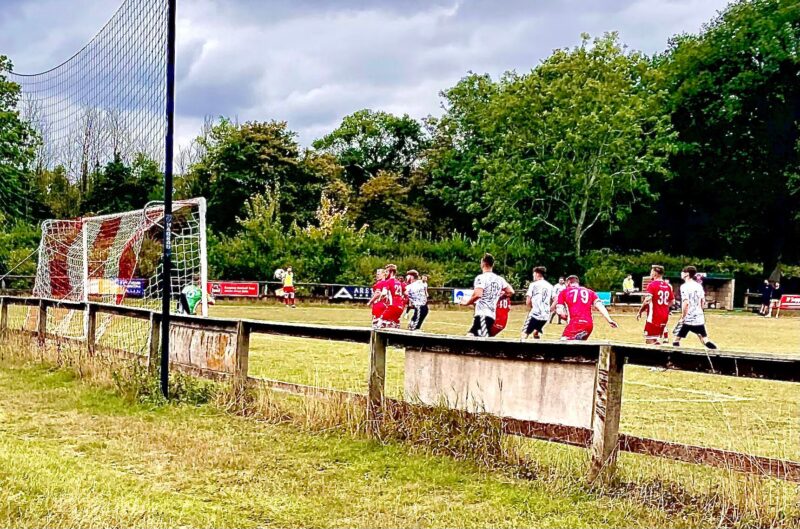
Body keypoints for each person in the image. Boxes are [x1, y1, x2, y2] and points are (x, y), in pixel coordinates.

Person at [462, 253, 514, 337]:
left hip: (483, 314)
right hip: (491, 315)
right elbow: (511, 291)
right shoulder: (499, 279)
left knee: (477, 338)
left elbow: (478, 294)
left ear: (483, 263)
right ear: (492, 264)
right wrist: (500, 295)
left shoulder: (481, 278)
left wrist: (467, 303)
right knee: (472, 335)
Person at [555, 275, 618, 341]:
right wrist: (609, 319)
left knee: (563, 343)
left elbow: (559, 310)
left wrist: (564, 316)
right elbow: (600, 305)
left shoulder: (564, 292)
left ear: (568, 283)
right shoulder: (590, 292)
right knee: (580, 344)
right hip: (588, 325)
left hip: (575, 323)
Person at [672, 266, 717, 349]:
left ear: (687, 274)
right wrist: (699, 311)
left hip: (688, 318)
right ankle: (716, 352)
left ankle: (675, 356)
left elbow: (686, 303)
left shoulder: (684, 286)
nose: (681, 273)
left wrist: (683, 317)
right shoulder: (698, 286)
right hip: (698, 317)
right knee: (705, 340)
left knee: (676, 340)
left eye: (682, 272)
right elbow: (702, 301)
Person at [636, 265, 674, 344]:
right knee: (656, 340)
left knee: (649, 341)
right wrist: (663, 307)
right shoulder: (667, 286)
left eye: (651, 272)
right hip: (664, 316)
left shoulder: (652, 285)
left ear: (655, 273)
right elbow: (672, 301)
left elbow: (647, 300)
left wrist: (640, 310)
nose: (650, 273)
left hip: (654, 317)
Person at [521, 266, 554, 340]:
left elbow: (528, 300)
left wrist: (531, 308)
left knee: (524, 333)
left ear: (537, 274)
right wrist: (550, 309)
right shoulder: (550, 286)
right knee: (536, 332)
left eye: (533, 274)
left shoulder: (533, 284)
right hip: (545, 315)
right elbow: (556, 299)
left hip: (535, 314)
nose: (533, 276)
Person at [375, 264, 406, 329]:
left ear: (391, 272)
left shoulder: (388, 281)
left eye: (387, 272)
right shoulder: (398, 282)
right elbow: (405, 293)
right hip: (400, 307)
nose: (385, 274)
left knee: (379, 322)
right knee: (393, 323)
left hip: (393, 306)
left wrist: (379, 299)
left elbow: (384, 293)